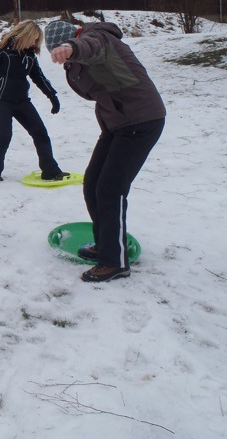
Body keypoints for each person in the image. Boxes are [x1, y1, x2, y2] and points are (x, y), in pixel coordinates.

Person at [45, 19, 166, 283]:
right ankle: (105, 244)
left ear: (74, 36)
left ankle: (115, 262)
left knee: (111, 189)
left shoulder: (99, 37)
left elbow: (91, 46)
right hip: (118, 123)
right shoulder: (78, 58)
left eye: (61, 46)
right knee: (93, 184)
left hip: (141, 121)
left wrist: (72, 47)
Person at [0, 20, 66, 182]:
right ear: (26, 35)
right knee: (4, 135)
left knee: (41, 133)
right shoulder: (1, 50)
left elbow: (39, 77)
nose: (34, 43)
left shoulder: (29, 55)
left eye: (37, 40)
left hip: (22, 101)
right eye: (33, 39)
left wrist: (52, 96)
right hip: (0, 100)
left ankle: (50, 171)